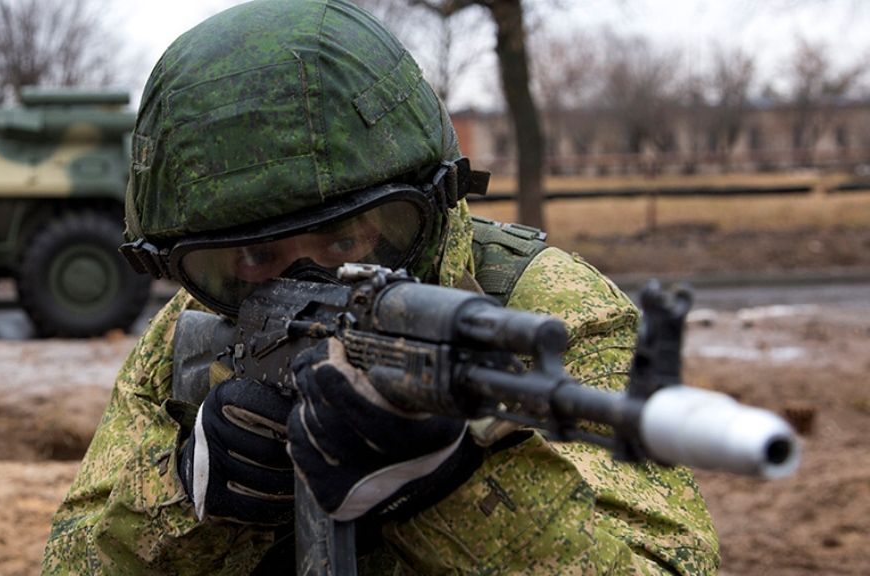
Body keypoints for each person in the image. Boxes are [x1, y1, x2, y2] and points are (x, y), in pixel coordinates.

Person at [42, 0, 720, 573]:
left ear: (434, 199)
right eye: (255, 256)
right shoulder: (188, 337)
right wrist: (185, 496)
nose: (306, 281)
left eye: (346, 241)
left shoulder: (543, 309)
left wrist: (453, 489)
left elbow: (669, 563)